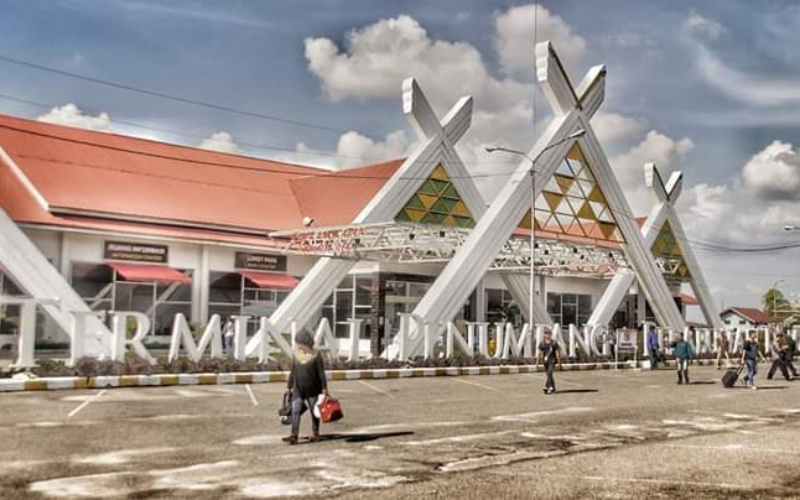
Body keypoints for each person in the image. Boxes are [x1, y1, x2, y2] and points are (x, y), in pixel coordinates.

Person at [283, 331, 329, 445]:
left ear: (305, 343)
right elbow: (293, 372)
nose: (297, 345)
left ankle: (315, 434)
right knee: (295, 411)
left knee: (315, 412)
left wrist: (324, 388)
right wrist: (288, 387)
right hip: (298, 389)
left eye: (299, 343)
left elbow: (321, 373)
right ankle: (294, 435)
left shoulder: (316, 355)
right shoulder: (296, 355)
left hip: (313, 389)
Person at [536, 329, 562, 395]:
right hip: (545, 361)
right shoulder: (542, 343)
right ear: (544, 335)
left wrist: (559, 363)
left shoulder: (554, 343)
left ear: (550, 334)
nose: (547, 335)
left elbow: (557, 353)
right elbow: (539, 353)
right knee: (548, 375)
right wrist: (537, 362)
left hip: (552, 361)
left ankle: (546, 386)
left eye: (548, 334)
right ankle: (552, 387)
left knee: (550, 373)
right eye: (546, 333)